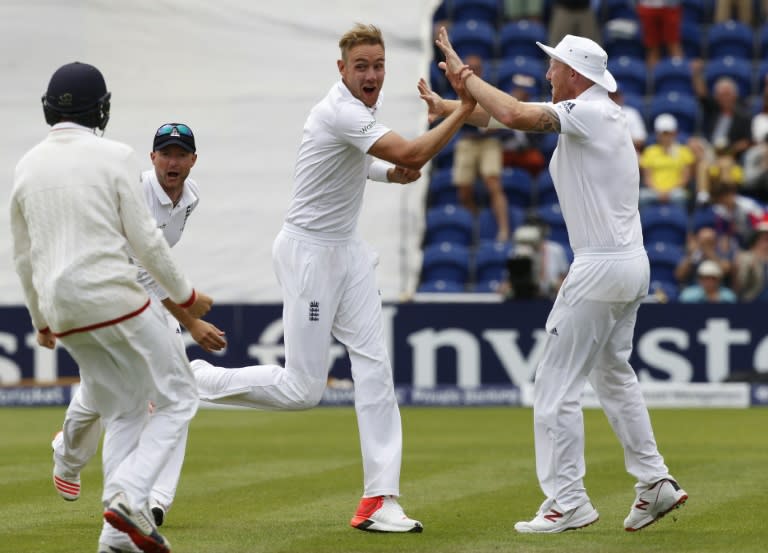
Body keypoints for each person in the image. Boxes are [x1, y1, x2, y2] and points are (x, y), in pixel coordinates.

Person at [188, 23, 476, 534]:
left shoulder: (360, 113)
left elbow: (364, 165)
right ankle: (193, 380)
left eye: (378, 65)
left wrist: (392, 174)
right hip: (310, 256)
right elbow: (411, 153)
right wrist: (464, 110)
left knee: (375, 369)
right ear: (341, 70)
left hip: (348, 253)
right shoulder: (339, 110)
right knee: (303, 390)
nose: (371, 74)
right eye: (361, 66)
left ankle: (379, 499)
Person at [421, 29, 688, 533]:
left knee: (553, 385)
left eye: (554, 67)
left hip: (602, 264)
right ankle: (654, 482)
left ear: (575, 74)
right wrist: (451, 106)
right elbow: (512, 120)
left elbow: (517, 114)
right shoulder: (596, 113)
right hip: (629, 262)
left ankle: (568, 501)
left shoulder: (587, 112)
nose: (547, 73)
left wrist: (468, 78)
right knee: (613, 374)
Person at [10, 62, 214, 553]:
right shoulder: (114, 155)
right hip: (114, 297)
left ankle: (114, 538)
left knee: (123, 409)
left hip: (64, 309)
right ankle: (129, 494)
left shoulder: (26, 165)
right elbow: (145, 240)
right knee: (180, 396)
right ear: (101, 109)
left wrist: (40, 320)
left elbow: (23, 254)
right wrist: (186, 298)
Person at [50, 122, 227, 545]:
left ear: (193, 161)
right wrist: (191, 320)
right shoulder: (137, 195)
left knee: (157, 394)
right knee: (120, 395)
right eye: (165, 153)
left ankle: (145, 500)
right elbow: (141, 271)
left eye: (181, 154)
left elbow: (154, 269)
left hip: (141, 303)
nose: (173, 161)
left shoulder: (191, 197)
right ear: (152, 159)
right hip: (106, 296)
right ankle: (73, 460)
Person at [451, 54, 510, 242]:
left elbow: (502, 117)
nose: (474, 71)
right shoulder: (459, 90)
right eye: (471, 68)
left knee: (493, 183)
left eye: (477, 68)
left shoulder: (490, 91)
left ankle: (503, 230)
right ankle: (476, 226)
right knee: (463, 189)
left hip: (489, 141)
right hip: (468, 140)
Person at [691, 61, 752, 162]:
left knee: (723, 162)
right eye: (721, 95)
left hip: (729, 153)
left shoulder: (743, 115)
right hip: (710, 149)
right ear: (717, 97)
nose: (725, 98)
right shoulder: (713, 109)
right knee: (693, 143)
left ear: (734, 95)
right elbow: (701, 94)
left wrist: (728, 150)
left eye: (727, 94)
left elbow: (747, 142)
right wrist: (696, 73)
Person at [639, 113, 695, 208]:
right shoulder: (650, 151)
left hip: (675, 191)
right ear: (657, 134)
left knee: (680, 195)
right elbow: (647, 178)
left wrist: (669, 191)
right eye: (663, 133)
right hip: (654, 191)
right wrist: (659, 192)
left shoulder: (684, 151)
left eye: (668, 133)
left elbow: (685, 178)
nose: (665, 137)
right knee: (642, 196)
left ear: (674, 133)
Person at [636, 0, 684, 68]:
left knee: (673, 45)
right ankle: (653, 77)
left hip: (670, 7)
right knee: (652, 48)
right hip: (648, 6)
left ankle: (680, 73)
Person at [732, 219, 768, 302]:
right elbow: (739, 286)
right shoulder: (744, 257)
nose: (766, 243)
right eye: (764, 239)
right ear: (756, 239)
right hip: (751, 303)